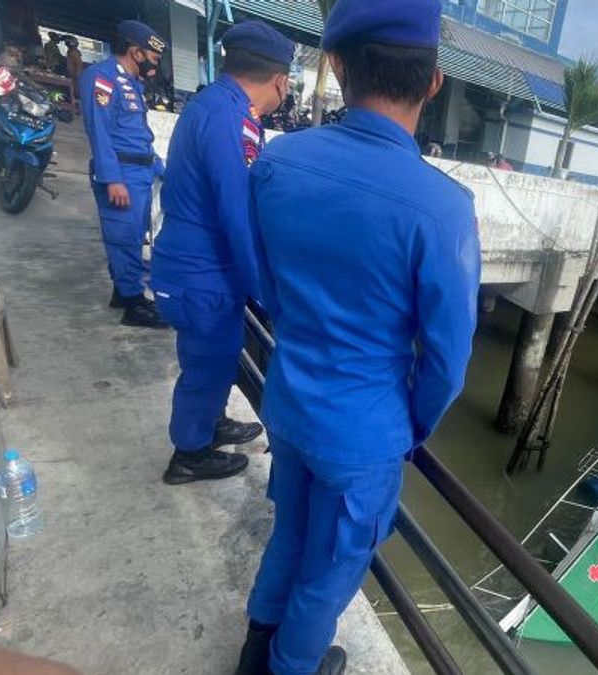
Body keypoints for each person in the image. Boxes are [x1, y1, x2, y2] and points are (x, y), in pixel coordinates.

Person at [236, 1, 480, 673]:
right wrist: (412, 424)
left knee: (289, 532)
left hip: (288, 401)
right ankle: (289, 666)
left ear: (338, 66)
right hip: (365, 433)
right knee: (332, 568)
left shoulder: (280, 162)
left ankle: (256, 645)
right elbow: (448, 360)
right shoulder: (443, 209)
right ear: (433, 81)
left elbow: (267, 281)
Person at [152, 21, 294, 485]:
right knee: (206, 363)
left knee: (218, 356)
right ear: (280, 80)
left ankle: (210, 424)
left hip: (206, 269)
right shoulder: (229, 119)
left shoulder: (217, 104)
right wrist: (267, 292)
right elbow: (238, 214)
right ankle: (189, 454)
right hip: (203, 272)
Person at [78, 20, 169, 328]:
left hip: (140, 171)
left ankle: (122, 290)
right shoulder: (102, 78)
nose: (155, 65)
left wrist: (160, 167)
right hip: (122, 175)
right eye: (153, 58)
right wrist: (112, 178)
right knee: (124, 239)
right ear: (136, 52)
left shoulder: (132, 84)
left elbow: (137, 135)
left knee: (134, 236)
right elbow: (99, 132)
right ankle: (133, 304)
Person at [65, 36, 84, 102]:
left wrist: (77, 76)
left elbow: (79, 66)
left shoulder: (75, 53)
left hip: (76, 77)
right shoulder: (69, 52)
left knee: (76, 92)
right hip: (71, 76)